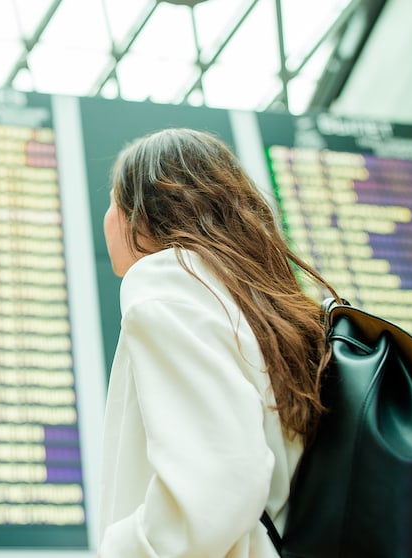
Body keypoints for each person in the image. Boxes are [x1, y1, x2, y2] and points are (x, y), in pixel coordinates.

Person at [97, 128, 339, 557]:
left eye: (113, 200)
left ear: (141, 215)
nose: (107, 218)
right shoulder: (260, 301)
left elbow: (215, 485)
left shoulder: (166, 283)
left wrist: (123, 549)